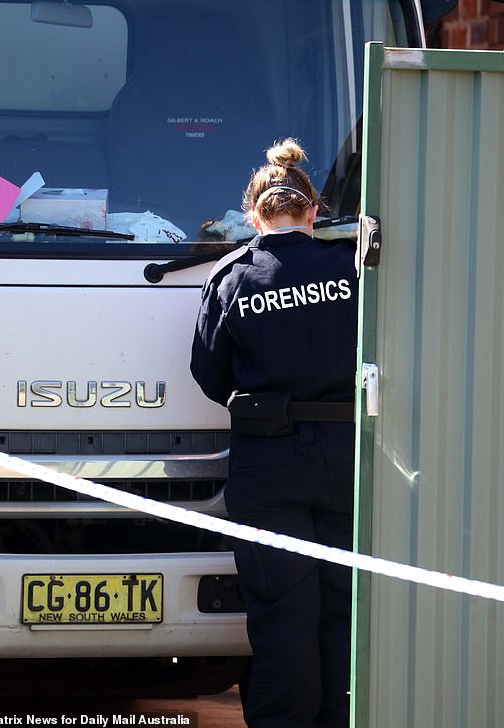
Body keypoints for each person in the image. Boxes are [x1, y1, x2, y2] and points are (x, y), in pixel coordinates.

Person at [190, 138, 358, 728]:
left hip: (270, 464)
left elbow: (208, 375)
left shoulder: (233, 276)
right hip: (347, 462)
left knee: (283, 614)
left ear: (254, 215)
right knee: (343, 613)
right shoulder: (349, 268)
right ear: (314, 212)